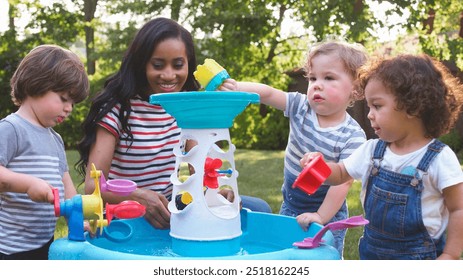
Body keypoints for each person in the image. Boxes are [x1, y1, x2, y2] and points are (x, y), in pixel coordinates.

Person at [77, 17, 270, 231]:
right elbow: (92, 186)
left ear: (189, 64)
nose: (169, 75)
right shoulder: (118, 110)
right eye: (158, 65)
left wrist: (215, 193)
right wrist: (139, 197)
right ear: (141, 63)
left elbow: (201, 172)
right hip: (126, 213)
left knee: (258, 207)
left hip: (168, 210)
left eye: (178, 65)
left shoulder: (185, 108)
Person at [300, 54, 463, 260]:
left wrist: (450, 254)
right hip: (373, 252)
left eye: (377, 106)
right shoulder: (372, 151)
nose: (369, 114)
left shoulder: (439, 159)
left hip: (419, 258)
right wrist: (320, 166)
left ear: (412, 107)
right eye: (369, 106)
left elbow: (458, 208)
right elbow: (341, 173)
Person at [220, 39, 368, 257]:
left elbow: (343, 183)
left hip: (328, 212)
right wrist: (237, 88)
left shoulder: (353, 135)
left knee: (321, 257)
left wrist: (320, 216)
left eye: (328, 78)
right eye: (313, 78)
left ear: (355, 89)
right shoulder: (301, 107)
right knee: (287, 254)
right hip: (291, 203)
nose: (317, 84)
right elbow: (269, 94)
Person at [0, 44, 89, 260]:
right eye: (63, 98)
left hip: (43, 242)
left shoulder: (55, 139)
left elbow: (67, 187)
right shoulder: (11, 129)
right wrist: (28, 184)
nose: (69, 108)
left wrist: (77, 218)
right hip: (10, 249)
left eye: (73, 103)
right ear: (35, 85)